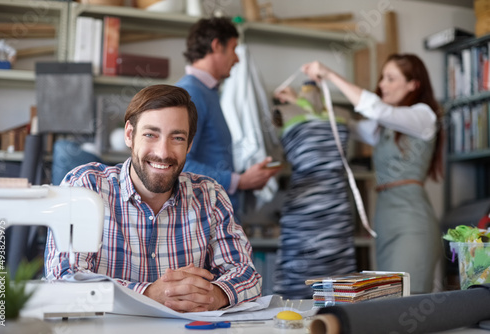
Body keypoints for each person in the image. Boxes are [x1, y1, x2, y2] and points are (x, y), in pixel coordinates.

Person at [44, 84, 262, 312]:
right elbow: (63, 279)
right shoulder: (85, 187)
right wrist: (148, 294)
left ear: (189, 144)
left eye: (177, 138)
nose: (163, 152)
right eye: (151, 134)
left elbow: (246, 273)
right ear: (129, 135)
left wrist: (215, 295)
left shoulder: (210, 195)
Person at [297, 54, 444, 294]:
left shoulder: (423, 116)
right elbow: (345, 124)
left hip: (411, 221)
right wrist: (300, 104)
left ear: (413, 84)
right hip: (384, 220)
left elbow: (375, 108)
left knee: (407, 299)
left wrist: (330, 74)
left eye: (391, 78)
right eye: (382, 78)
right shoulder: (384, 127)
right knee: (386, 300)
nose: (382, 84)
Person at [175, 17, 281, 214]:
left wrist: (246, 179)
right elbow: (178, 163)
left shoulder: (208, 93)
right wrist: (239, 181)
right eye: (233, 48)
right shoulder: (191, 94)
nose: (238, 59)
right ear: (216, 46)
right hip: (202, 218)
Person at [273, 80, 356, 299]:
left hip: (338, 212)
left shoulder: (343, 113)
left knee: (339, 290)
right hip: (303, 212)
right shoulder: (283, 112)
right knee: (298, 286)